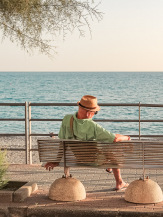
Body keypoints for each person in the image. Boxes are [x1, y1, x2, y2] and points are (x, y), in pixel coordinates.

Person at [45, 95, 130, 190]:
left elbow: (62, 142)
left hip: (80, 159)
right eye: (95, 112)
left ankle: (109, 168)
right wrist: (126, 137)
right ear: (89, 113)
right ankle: (119, 182)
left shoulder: (67, 119)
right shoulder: (93, 126)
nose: (94, 114)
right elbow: (114, 139)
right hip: (94, 161)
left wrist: (56, 161)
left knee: (105, 147)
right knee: (113, 151)